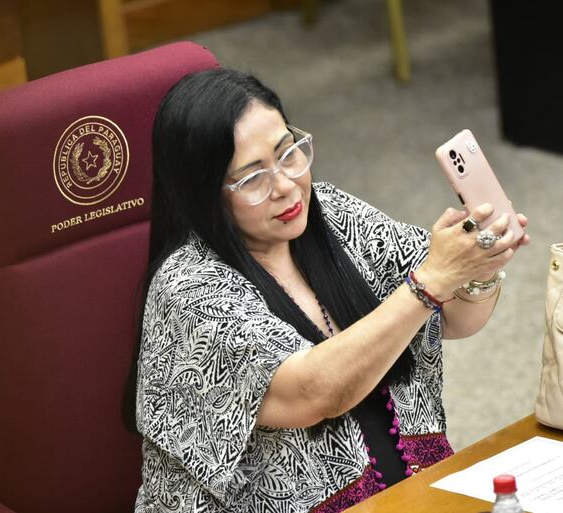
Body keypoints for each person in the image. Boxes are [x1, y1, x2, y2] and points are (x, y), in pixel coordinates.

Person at [132, 68, 530, 513]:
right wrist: (432, 282)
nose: (285, 186)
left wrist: (477, 269)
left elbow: (458, 318)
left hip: (409, 495)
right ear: (203, 193)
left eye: (289, 154)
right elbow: (314, 392)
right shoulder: (188, 290)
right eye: (252, 179)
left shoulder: (330, 211)